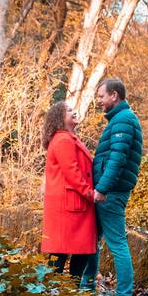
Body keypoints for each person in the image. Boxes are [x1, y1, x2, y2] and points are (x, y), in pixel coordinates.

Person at [80, 78, 143, 296]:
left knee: (116, 243)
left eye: (101, 96)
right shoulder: (118, 120)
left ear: (114, 95)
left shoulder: (124, 120)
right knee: (91, 240)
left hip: (111, 193)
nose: (99, 101)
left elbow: (117, 159)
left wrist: (102, 188)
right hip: (106, 192)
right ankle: (86, 285)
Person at [40, 101, 96, 280]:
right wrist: (89, 193)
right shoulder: (63, 140)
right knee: (69, 252)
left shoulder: (66, 138)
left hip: (69, 203)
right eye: (69, 110)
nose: (74, 112)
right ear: (59, 118)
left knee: (64, 251)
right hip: (71, 204)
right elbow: (72, 172)